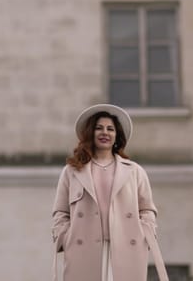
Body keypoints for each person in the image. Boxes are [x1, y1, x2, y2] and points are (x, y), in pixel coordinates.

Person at [51, 104, 158, 281]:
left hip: (126, 247)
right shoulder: (71, 171)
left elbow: (147, 209)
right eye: (99, 128)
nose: (105, 133)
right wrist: (66, 236)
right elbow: (60, 212)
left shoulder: (134, 171)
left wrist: (144, 232)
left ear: (117, 136)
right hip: (83, 248)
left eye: (110, 129)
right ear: (90, 133)